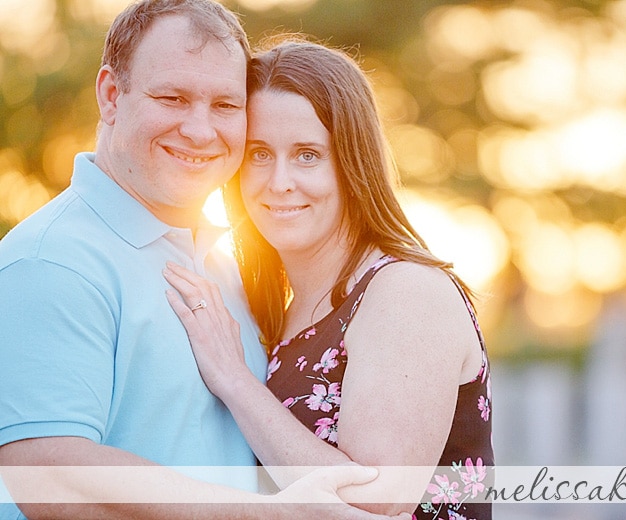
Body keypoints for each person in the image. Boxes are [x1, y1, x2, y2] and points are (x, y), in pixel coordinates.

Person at [0, 2, 409, 519]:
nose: (199, 130)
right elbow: (49, 476)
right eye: (172, 98)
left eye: (225, 105)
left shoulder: (223, 262)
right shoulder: (51, 263)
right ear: (110, 94)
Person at [163, 37, 494, 519]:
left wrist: (233, 379)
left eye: (307, 154)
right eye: (258, 154)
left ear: (351, 164)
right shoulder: (279, 304)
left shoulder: (406, 291)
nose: (278, 182)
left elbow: (376, 499)